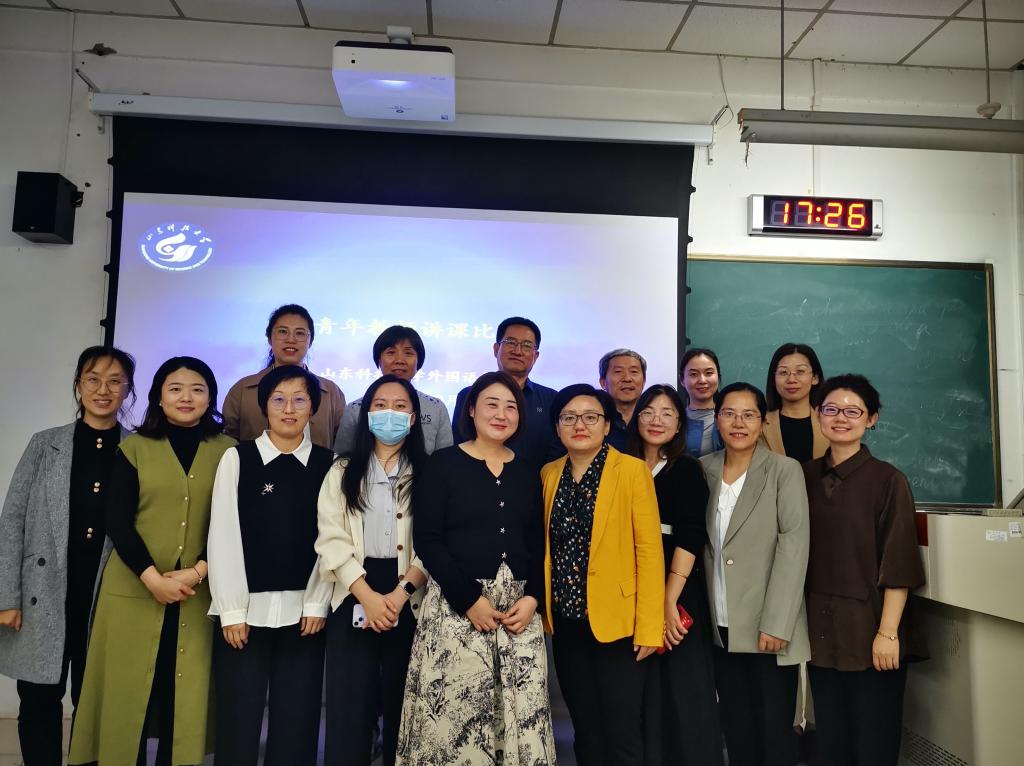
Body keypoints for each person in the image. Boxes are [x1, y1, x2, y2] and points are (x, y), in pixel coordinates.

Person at [68, 357, 236, 766]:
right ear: (159, 397)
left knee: (181, 693)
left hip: (197, 591)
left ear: (210, 397)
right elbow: (117, 521)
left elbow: (235, 521)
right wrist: (152, 578)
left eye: (197, 389)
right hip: (132, 586)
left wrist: (199, 569)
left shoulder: (229, 451)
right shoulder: (134, 447)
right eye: (175, 388)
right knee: (128, 693)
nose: (186, 397)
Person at [399, 371, 554, 765]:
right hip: (457, 610)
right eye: (491, 404)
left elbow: (537, 543)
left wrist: (533, 598)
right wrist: (469, 600)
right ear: (471, 410)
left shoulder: (529, 470)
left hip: (518, 615)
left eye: (511, 407)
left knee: (520, 720)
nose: (501, 414)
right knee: (457, 726)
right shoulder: (443, 464)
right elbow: (428, 540)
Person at [0, 346, 136, 766]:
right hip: (43, 593)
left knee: (94, 702)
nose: (103, 389)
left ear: (128, 389)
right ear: (78, 385)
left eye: (115, 381)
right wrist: (7, 596)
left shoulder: (137, 449)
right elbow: (12, 520)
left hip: (106, 593)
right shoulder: (46, 445)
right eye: (93, 379)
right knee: (39, 698)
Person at [207, 364, 334, 766]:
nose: (289, 409)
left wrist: (317, 602)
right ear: (264, 406)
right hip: (245, 614)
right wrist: (231, 609)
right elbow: (223, 534)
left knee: (297, 721)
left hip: (305, 614)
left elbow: (332, 541)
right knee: (238, 718)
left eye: (299, 400)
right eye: (278, 399)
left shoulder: (330, 464)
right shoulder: (237, 458)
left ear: (313, 407)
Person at [804, 374, 925, 766]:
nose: (841, 418)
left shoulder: (889, 480)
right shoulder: (802, 477)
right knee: (831, 742)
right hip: (819, 633)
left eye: (853, 411)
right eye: (831, 409)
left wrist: (887, 633)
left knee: (873, 742)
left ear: (871, 419)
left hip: (872, 633)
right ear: (817, 414)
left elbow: (899, 562)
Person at [542, 383, 664, 766]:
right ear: (557, 426)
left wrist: (650, 626)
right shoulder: (549, 474)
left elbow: (649, 552)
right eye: (569, 417)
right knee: (585, 728)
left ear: (607, 425)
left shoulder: (631, 471)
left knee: (622, 730)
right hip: (567, 622)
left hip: (619, 624)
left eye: (591, 417)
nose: (580, 425)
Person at [317, 374, 428, 766]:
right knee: (350, 707)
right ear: (366, 415)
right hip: (354, 592)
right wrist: (366, 596)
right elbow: (330, 538)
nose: (389, 413)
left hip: (409, 597)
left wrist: (398, 596)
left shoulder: (430, 472)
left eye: (400, 406)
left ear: (413, 418)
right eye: (380, 405)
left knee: (406, 705)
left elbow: (433, 542)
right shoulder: (342, 470)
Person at [701, 382, 810, 766]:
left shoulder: (784, 470)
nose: (738, 423)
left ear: (763, 423)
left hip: (768, 627)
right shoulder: (703, 469)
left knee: (774, 733)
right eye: (729, 414)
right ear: (717, 419)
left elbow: (793, 548)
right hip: (720, 625)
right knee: (736, 729)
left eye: (749, 415)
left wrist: (778, 622)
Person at [625, 384, 724, 766]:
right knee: (642, 692)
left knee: (684, 691)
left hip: (677, 592)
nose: (657, 420)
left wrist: (667, 603)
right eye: (649, 412)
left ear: (680, 423)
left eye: (667, 413)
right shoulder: (621, 467)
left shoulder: (686, 469)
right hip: (631, 592)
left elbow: (690, 536)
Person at [223, 303, 346, 448]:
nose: (291, 339)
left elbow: (342, 446)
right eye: (282, 331)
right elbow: (227, 442)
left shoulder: (331, 392)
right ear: (269, 338)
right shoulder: (243, 390)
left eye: (300, 333)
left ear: (310, 341)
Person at [452, 316, 563, 471]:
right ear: (496, 349)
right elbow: (460, 444)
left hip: (536, 483)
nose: (518, 351)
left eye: (527, 345)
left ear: (536, 356)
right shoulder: (469, 395)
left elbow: (558, 452)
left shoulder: (553, 399)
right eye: (510, 342)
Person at [333, 325, 453, 456]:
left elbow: (445, 459)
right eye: (391, 352)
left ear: (419, 361)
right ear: (379, 360)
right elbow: (341, 456)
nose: (399, 360)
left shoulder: (435, 407)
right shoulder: (355, 409)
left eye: (408, 353)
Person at [763, 343, 827, 464]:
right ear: (773, 379)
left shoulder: (830, 422)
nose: (791, 380)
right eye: (783, 372)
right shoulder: (759, 424)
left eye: (800, 371)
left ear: (815, 378)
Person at [599, 348, 647, 451]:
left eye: (634, 371)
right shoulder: (593, 421)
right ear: (603, 382)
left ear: (643, 382)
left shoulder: (654, 421)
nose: (627, 379)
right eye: (618, 371)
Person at [679, 348, 723, 457]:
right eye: (694, 374)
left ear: (718, 377)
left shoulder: (730, 417)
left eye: (709, 373)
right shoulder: (675, 420)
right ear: (682, 380)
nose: (702, 380)